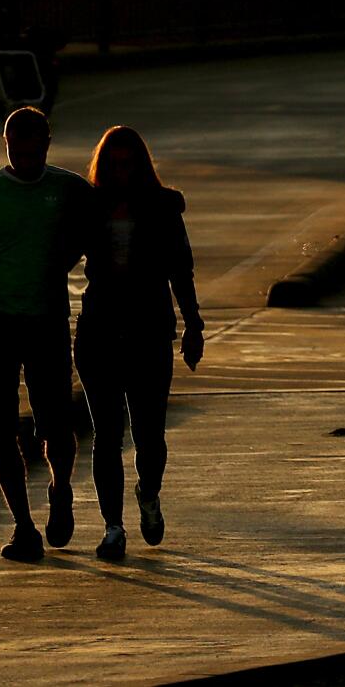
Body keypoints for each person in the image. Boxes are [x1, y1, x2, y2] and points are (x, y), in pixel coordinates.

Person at [0, 106, 94, 564]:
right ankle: (23, 526)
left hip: (47, 321)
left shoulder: (69, 188)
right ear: (7, 145)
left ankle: (60, 489)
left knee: (56, 422)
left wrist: (65, 260)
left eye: (38, 151)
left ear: (48, 145)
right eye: (21, 150)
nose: (30, 159)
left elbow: (104, 219)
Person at [75, 125, 205, 562]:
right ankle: (113, 526)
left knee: (149, 434)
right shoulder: (89, 206)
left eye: (129, 163)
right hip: (99, 330)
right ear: (103, 166)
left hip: (150, 330)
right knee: (107, 435)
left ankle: (149, 493)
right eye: (114, 164)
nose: (122, 171)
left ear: (142, 165)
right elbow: (57, 255)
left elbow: (180, 270)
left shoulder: (164, 207)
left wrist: (194, 324)